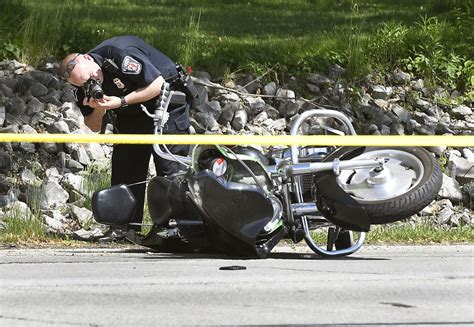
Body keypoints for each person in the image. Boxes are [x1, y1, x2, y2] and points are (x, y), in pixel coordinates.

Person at [60, 36, 191, 242]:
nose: (92, 83)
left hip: (165, 99)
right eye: (85, 83)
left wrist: (121, 101)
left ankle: (174, 227)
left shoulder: (119, 54)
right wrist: (98, 110)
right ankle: (123, 229)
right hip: (129, 110)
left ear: (88, 58)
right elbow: (93, 127)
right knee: (125, 164)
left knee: (169, 164)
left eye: (93, 78)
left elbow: (157, 84)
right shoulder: (81, 85)